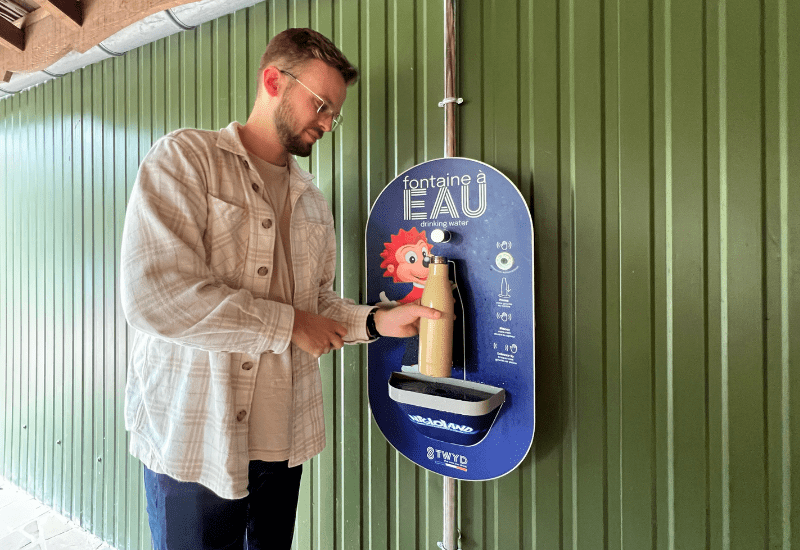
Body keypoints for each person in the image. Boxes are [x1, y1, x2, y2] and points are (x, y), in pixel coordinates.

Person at [119, 27, 439, 550]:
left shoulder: (312, 200)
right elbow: (155, 296)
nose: (328, 123)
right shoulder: (186, 159)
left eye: (334, 113)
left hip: (282, 445)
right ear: (273, 80)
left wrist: (378, 321)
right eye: (321, 104)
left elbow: (316, 304)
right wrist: (290, 325)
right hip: (195, 444)